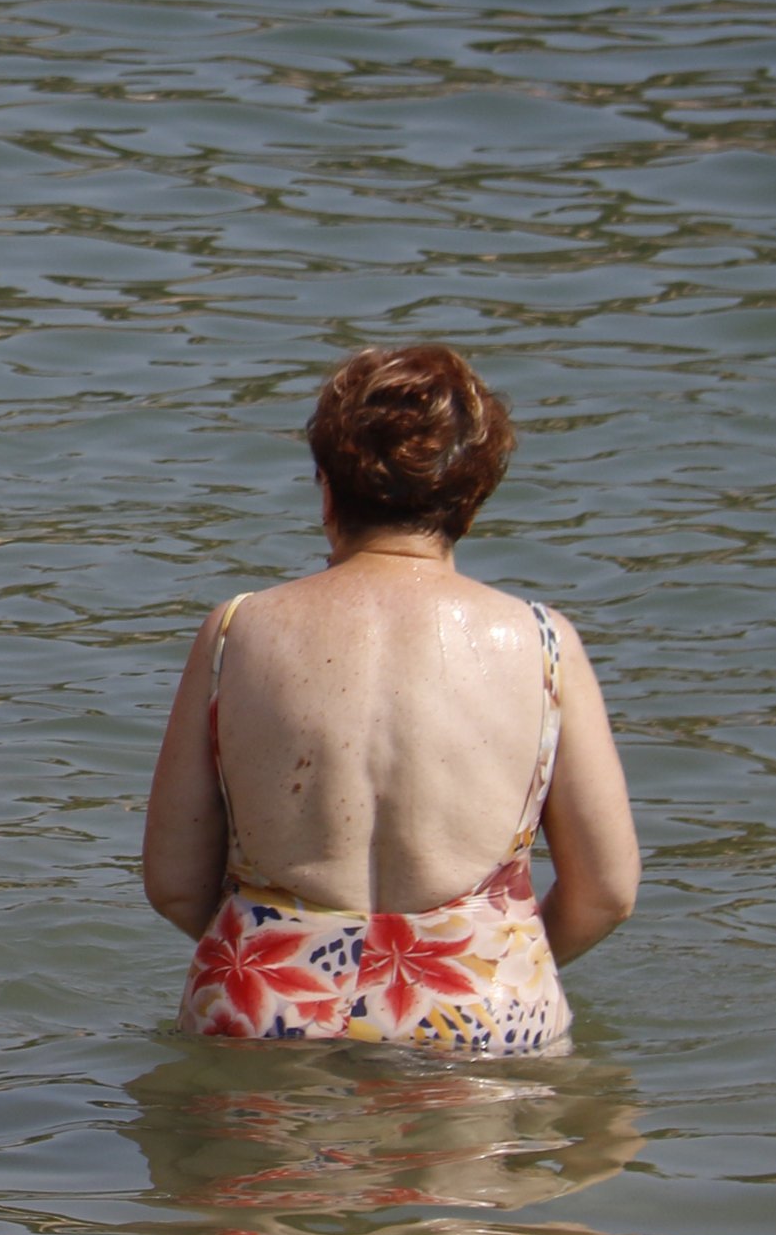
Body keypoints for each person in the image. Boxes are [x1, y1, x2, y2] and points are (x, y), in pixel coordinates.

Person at [140, 344, 640, 1054]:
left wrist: (290, 944)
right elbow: (607, 892)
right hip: (481, 1006)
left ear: (325, 487)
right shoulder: (541, 642)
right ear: (474, 494)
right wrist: (489, 955)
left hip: (265, 999)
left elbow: (174, 884)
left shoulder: (236, 631)